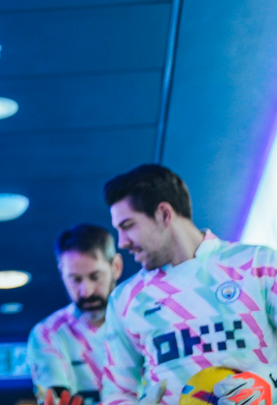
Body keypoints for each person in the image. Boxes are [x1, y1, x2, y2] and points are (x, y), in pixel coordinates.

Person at [100, 164, 277, 405]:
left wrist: (269, 384)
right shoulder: (125, 299)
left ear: (164, 214)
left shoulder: (259, 264)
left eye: (127, 226)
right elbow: (116, 392)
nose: (121, 242)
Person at [27, 224, 124, 405]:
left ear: (116, 267)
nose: (86, 291)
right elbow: (55, 397)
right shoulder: (48, 333)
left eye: (95, 277)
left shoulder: (141, 319)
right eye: (75, 280)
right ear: (61, 273)